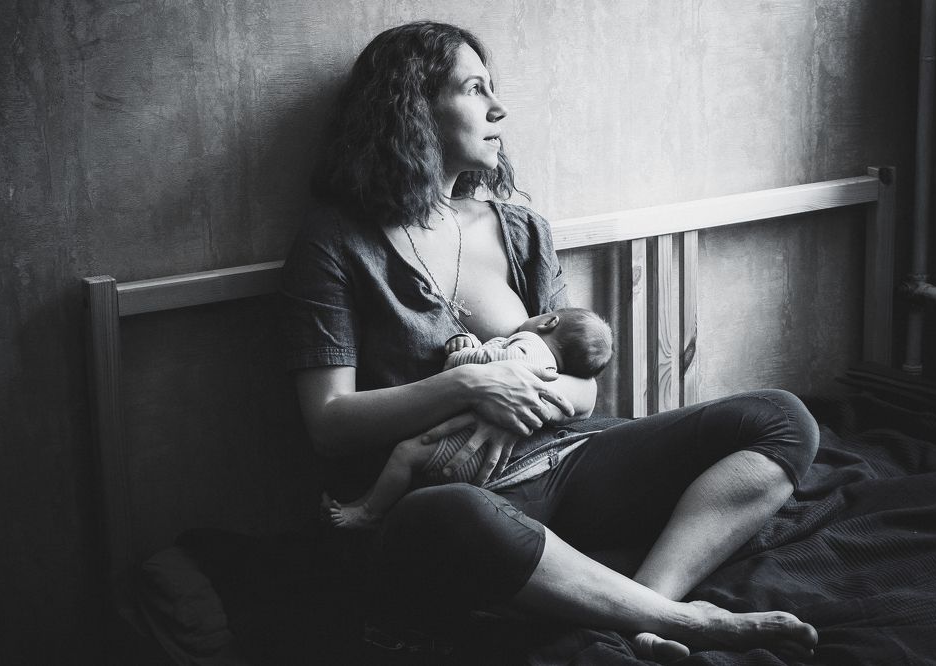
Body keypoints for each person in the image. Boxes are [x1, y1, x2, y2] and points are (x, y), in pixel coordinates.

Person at [281, 21, 821, 663]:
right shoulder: (336, 242)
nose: (498, 108)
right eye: (474, 88)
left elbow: (585, 392)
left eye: (493, 88)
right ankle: (681, 620)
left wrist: (522, 398)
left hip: (563, 461)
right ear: (411, 107)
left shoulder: (519, 230)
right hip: (445, 494)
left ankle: (648, 611)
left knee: (781, 419)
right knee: (452, 514)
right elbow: (329, 425)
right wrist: (471, 384)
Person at [321, 307, 613, 529]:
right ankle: (365, 503)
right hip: (509, 456)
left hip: (470, 446)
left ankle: (369, 512)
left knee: (405, 454)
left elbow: (496, 368)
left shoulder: (530, 343)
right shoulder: (551, 364)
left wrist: (463, 356)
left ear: (549, 322)